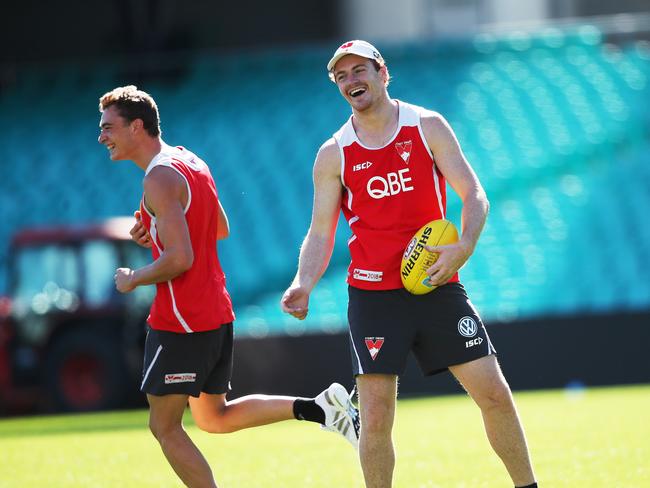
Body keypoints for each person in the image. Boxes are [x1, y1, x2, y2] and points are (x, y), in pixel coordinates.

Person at [281, 41, 538, 488]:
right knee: (376, 417)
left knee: (494, 394)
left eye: (360, 70)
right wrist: (304, 282)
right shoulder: (333, 154)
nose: (351, 81)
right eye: (341, 76)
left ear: (383, 72)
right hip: (374, 298)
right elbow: (321, 231)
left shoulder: (427, 125)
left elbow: (473, 193)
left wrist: (465, 246)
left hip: (438, 283)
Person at [98, 85, 359, 488]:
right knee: (212, 418)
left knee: (164, 427)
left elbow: (181, 259)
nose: (102, 136)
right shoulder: (188, 161)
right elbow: (219, 227)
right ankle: (319, 408)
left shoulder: (160, 178)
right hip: (214, 311)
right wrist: (154, 228)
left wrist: (133, 278)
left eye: (108, 127)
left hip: (182, 319)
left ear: (136, 127)